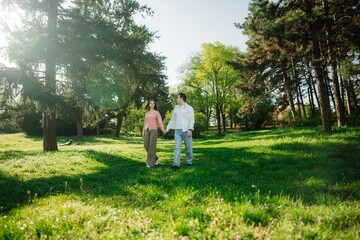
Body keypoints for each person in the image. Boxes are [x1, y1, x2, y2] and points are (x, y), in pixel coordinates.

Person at [166, 93, 195, 169]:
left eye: (177, 98)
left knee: (189, 148)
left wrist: (190, 129)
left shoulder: (189, 108)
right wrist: (167, 129)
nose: (176, 99)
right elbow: (172, 120)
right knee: (177, 147)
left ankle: (189, 162)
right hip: (177, 131)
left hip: (186, 131)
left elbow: (192, 119)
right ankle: (176, 164)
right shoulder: (176, 108)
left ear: (181, 98)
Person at [142, 100, 166, 168]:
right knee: (146, 145)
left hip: (154, 130)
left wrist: (163, 129)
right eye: (151, 103)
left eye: (153, 103)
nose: (152, 104)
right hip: (147, 130)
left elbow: (160, 122)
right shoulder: (147, 113)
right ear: (149, 105)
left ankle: (149, 163)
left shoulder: (156, 112)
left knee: (152, 147)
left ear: (154, 105)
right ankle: (155, 158)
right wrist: (143, 132)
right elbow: (144, 123)